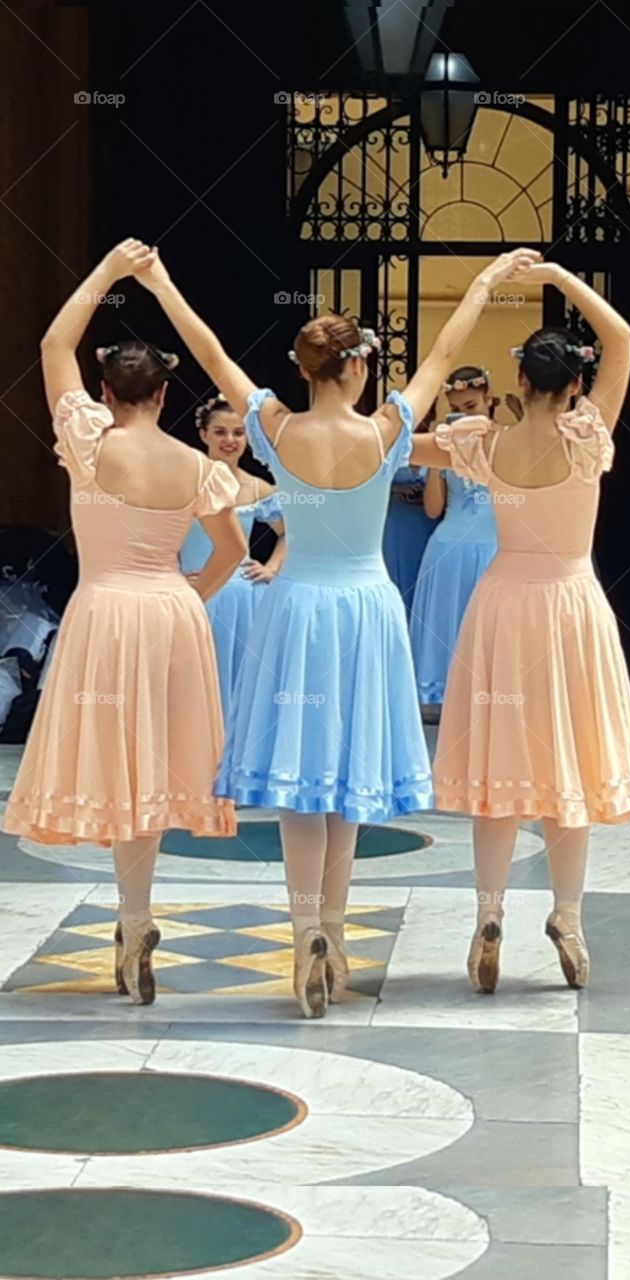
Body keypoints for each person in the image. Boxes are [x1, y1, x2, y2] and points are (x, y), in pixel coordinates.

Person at [135, 239, 538, 1018]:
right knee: (349, 777)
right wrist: (486, 278)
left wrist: (157, 280)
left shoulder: (275, 430)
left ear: (305, 368)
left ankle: (301, 930)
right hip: (365, 606)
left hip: (296, 608)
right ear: (354, 367)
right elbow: (448, 348)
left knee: (300, 782)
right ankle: (333, 929)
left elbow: (210, 352)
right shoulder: (387, 431)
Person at [2, 240, 247, 1006]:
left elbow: (51, 343)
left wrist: (109, 272)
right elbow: (232, 550)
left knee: (117, 758)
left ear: (105, 391)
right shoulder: (197, 464)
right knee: (156, 761)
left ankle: (131, 917)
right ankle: (139, 917)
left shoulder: (85, 440)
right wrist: (189, 597)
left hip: (105, 609)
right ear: (166, 399)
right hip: (169, 609)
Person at [408, 263, 630, 995]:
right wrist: (556, 275)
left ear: (518, 380)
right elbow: (621, 335)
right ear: (574, 384)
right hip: (567, 605)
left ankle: (488, 915)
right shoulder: (586, 436)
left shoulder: (482, 442)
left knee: (498, 771)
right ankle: (568, 918)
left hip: (501, 606)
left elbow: (397, 449)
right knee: (566, 766)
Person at [179, 395, 285, 721]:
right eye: (221, 432)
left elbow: (290, 533)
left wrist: (271, 568)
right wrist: (169, 573)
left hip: (243, 599)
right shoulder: (183, 482)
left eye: (238, 433)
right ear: (204, 435)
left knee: (242, 680)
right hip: (194, 593)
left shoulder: (258, 488)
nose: (230, 440)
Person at [410, 368, 498, 706]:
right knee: (449, 630)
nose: (465, 416)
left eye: (472, 407)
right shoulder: (446, 448)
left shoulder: (507, 443)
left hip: (494, 548)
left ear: (490, 401)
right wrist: (437, 455)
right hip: (448, 549)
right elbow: (433, 510)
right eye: (457, 409)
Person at [381, 405, 438, 617]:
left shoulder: (437, 445)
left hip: (427, 523)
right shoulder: (390, 447)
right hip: (398, 525)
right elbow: (369, 484)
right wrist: (397, 489)